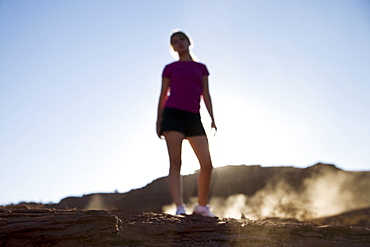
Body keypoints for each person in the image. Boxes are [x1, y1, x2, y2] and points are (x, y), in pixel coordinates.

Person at [156, 31, 217, 217]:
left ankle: (201, 207)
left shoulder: (201, 68)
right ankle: (179, 207)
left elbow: (205, 94)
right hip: (172, 115)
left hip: (194, 117)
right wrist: (158, 120)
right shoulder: (169, 68)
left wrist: (213, 118)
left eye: (181, 39)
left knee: (207, 164)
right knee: (176, 162)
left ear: (189, 42)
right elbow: (163, 94)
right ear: (173, 48)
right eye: (175, 41)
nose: (179, 43)